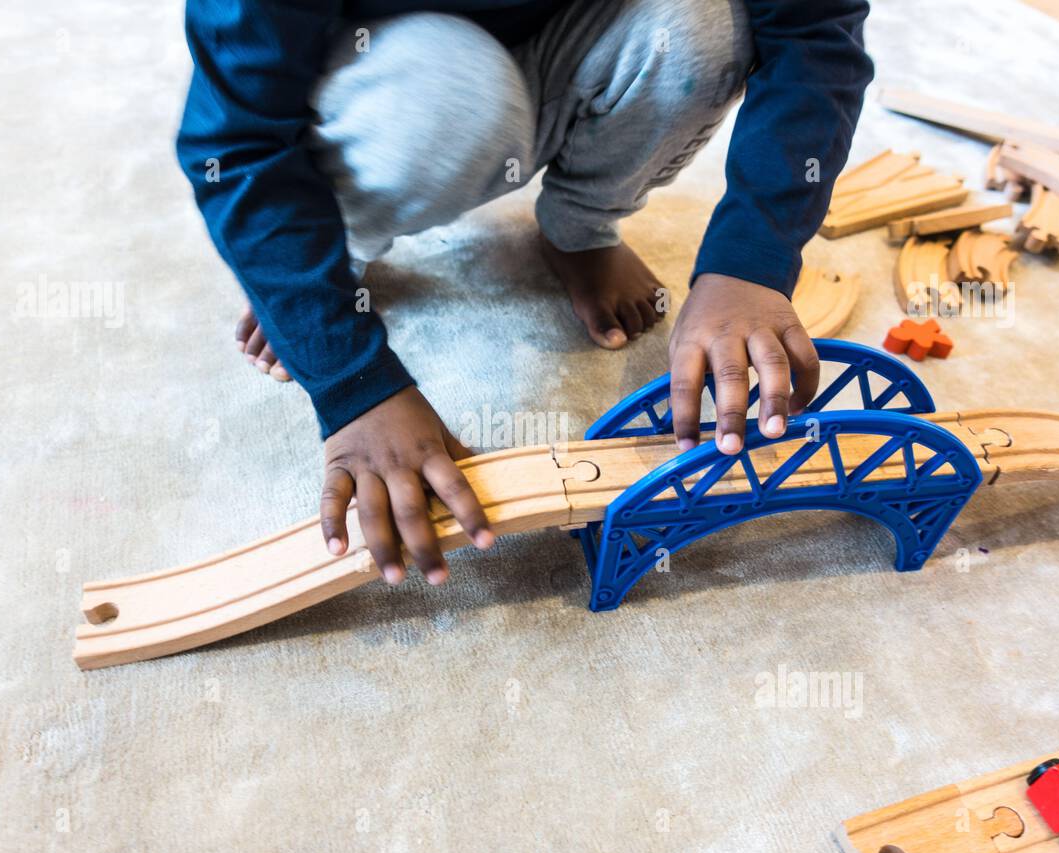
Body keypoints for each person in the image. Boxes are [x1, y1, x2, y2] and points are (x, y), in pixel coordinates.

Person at [176, 0, 874, 586]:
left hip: (567, 33)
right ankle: (337, 245)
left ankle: (581, 226)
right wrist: (348, 377)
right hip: (392, 81)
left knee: (699, 25)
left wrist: (750, 261)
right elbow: (238, 143)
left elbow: (812, 32)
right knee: (456, 94)